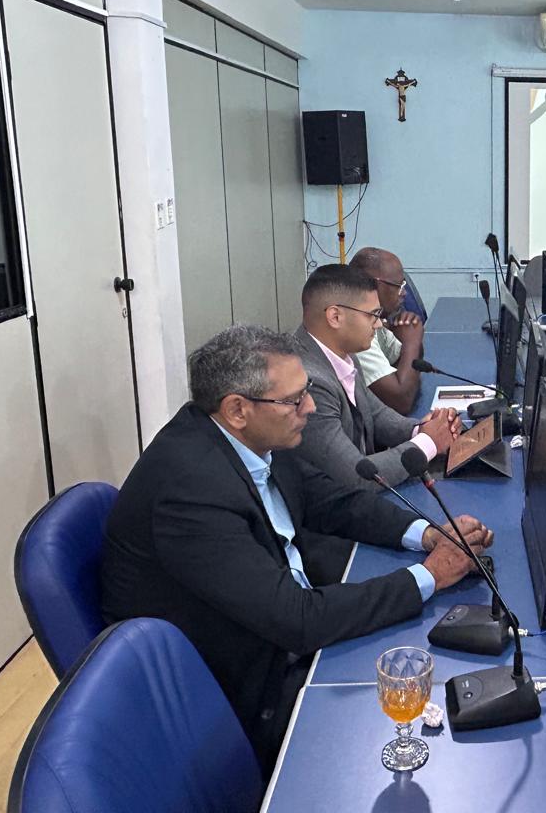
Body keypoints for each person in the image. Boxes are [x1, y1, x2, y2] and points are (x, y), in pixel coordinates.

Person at [99, 324, 492, 769]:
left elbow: (332, 501)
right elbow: (297, 620)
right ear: (237, 409)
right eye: (294, 400)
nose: (310, 408)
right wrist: (431, 575)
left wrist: (428, 534)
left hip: (275, 629)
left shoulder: (253, 436)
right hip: (237, 694)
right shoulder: (189, 492)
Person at [292, 264, 460, 493]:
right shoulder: (307, 381)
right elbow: (354, 476)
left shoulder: (344, 353)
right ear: (335, 316)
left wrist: (423, 429)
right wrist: (427, 443)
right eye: (372, 315)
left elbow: (375, 414)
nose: (380, 323)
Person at [349, 246, 423, 414]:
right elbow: (402, 401)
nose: (403, 293)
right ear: (374, 284)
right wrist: (412, 341)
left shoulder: (377, 319)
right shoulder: (354, 330)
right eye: (398, 285)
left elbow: (409, 366)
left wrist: (410, 346)